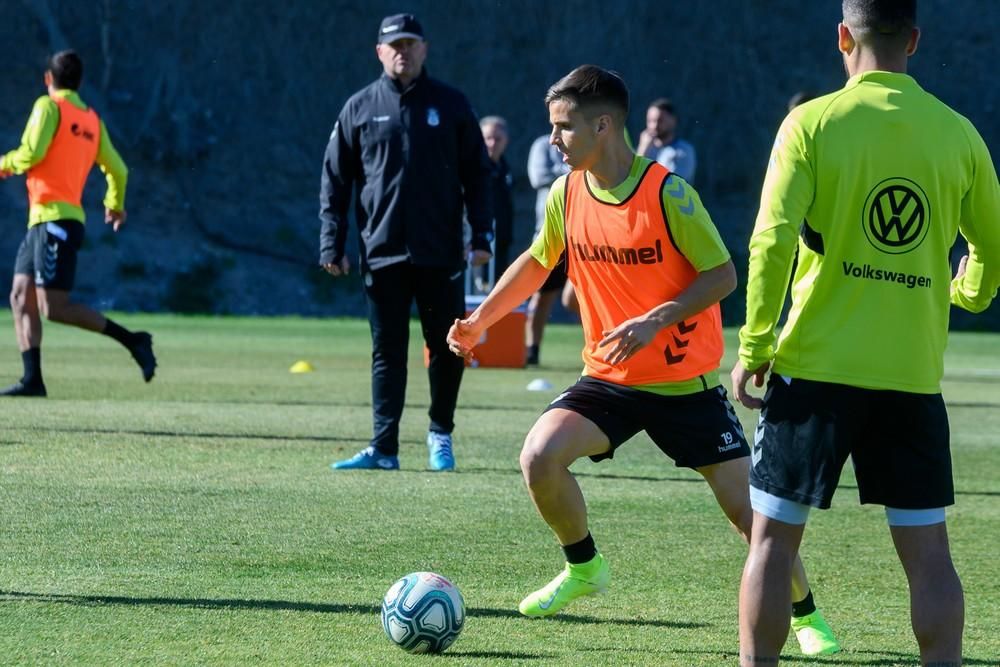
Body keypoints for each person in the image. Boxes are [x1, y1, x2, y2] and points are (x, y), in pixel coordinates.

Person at [448, 65, 838, 656]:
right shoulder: (566, 192)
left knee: (749, 517)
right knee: (539, 456)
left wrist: (656, 319)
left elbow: (723, 274)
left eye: (564, 127)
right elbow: (536, 262)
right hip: (609, 378)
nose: (554, 140)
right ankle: (584, 567)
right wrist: (481, 320)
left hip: (687, 385)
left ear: (603, 125)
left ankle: (806, 615)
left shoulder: (668, 194)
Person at [731, 1, 1000, 664]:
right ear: (915, 38)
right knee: (929, 555)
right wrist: (966, 291)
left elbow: (771, 240)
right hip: (909, 375)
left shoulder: (811, 122)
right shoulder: (958, 134)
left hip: (815, 373)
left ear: (843, 37)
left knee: (772, 544)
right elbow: (992, 246)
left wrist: (754, 346)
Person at [319, 13, 493, 472]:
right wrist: (331, 243)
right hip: (382, 251)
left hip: (440, 253)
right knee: (387, 352)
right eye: (394, 44)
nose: (403, 51)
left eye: (411, 43)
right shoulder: (359, 107)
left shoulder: (452, 105)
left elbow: (479, 175)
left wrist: (482, 235)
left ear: (424, 49)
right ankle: (384, 448)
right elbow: (335, 180)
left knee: (447, 345)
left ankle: (440, 434)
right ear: (379, 51)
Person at [0, 50, 156, 397]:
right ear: (80, 83)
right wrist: (114, 205)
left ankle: (133, 341)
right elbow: (119, 169)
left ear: (48, 79)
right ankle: (32, 380)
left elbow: (30, 154)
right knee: (19, 296)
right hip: (47, 221)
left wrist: (3, 164)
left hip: (53, 220)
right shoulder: (91, 120)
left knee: (53, 307)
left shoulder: (49, 107)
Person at [524, 133, 576, 366]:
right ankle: (531, 349)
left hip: (583, 237)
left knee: (582, 298)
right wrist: (570, 173)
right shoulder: (541, 144)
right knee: (541, 296)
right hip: (550, 234)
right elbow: (538, 177)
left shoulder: (584, 142)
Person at [478, 115, 514, 284]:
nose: (492, 143)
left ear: (506, 140)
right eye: (488, 138)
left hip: (501, 240)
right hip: (479, 243)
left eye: (497, 139)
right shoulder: (474, 167)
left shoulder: (504, 168)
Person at [635, 98, 697, 183]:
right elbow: (631, 179)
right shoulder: (645, 148)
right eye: (650, 121)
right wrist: (642, 149)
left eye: (660, 121)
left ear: (673, 121)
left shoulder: (683, 151)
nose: (654, 126)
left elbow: (675, 185)